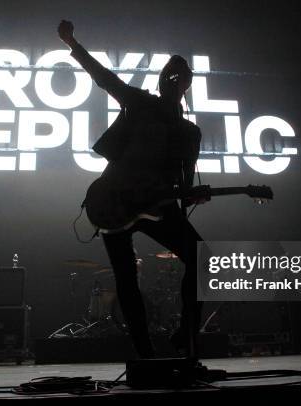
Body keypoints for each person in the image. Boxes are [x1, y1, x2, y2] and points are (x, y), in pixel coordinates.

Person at [58, 20, 207, 358]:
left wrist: (192, 194)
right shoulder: (140, 102)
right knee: (126, 278)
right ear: (161, 78)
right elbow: (104, 77)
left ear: (186, 85)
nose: (173, 77)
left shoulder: (190, 132)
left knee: (202, 258)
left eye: (180, 74)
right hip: (113, 199)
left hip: (156, 203)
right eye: (169, 71)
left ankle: (187, 336)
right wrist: (73, 43)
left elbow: (184, 184)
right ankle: (145, 355)